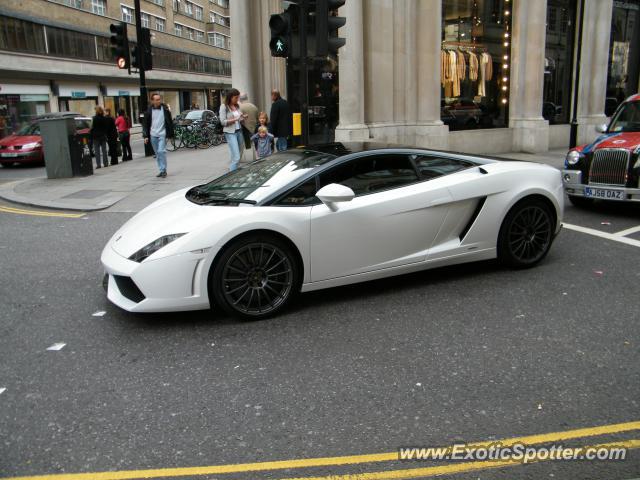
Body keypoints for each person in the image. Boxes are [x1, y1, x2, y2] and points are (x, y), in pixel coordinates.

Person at [142, 92, 174, 178]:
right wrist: (145, 136)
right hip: (153, 134)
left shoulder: (165, 110)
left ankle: (163, 170)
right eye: (155, 100)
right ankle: (161, 170)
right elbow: (145, 124)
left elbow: (170, 122)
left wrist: (171, 135)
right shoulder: (148, 111)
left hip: (162, 134)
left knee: (161, 151)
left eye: (159, 99)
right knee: (157, 154)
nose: (157, 101)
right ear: (152, 101)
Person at [219, 88, 246, 171]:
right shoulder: (224, 106)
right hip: (230, 133)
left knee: (239, 155)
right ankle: (231, 176)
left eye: (238, 97)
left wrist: (243, 118)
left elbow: (239, 119)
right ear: (230, 97)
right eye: (236, 98)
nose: (237, 99)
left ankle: (235, 172)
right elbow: (223, 122)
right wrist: (235, 119)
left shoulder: (236, 106)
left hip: (239, 131)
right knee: (236, 157)